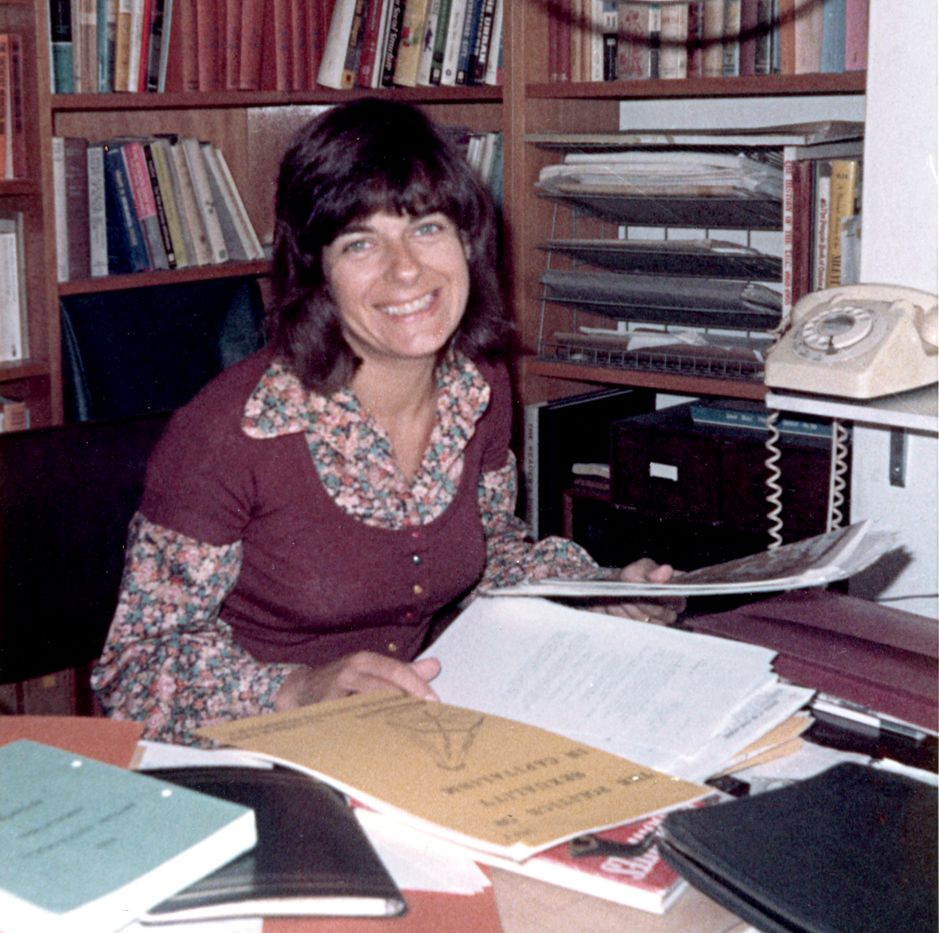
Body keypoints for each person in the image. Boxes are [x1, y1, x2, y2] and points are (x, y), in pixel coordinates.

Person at [93, 99, 681, 745]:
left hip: (404, 733)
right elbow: (132, 673)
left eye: (426, 228)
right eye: (361, 242)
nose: (405, 269)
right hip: (247, 751)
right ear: (317, 272)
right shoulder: (230, 433)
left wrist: (597, 590)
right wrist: (295, 689)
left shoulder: (478, 385)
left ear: (467, 243)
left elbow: (491, 553)